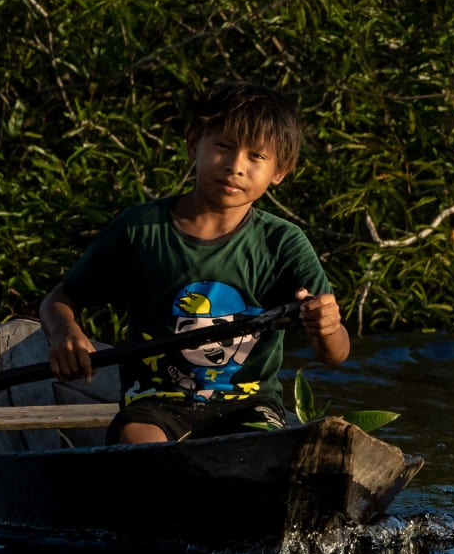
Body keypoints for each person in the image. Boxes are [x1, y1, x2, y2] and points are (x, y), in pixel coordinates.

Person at [39, 80, 350, 445]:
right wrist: (66, 332)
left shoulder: (283, 243)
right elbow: (58, 300)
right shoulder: (140, 230)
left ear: (280, 171)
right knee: (143, 447)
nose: (236, 166)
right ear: (193, 144)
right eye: (223, 146)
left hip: (250, 406)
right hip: (153, 404)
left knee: (256, 452)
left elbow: (336, 354)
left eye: (257, 157)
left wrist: (327, 326)